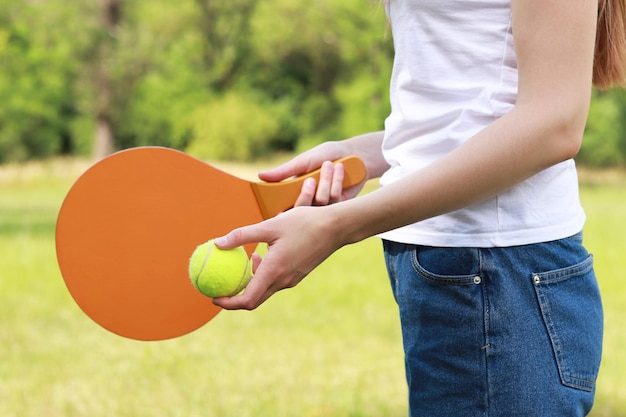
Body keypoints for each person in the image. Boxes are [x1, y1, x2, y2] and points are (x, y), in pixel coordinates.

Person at [213, 1, 625, 415]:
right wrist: (361, 154)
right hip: (452, 267)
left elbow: (554, 124)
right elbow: (464, 107)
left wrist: (338, 226)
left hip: (501, 272)